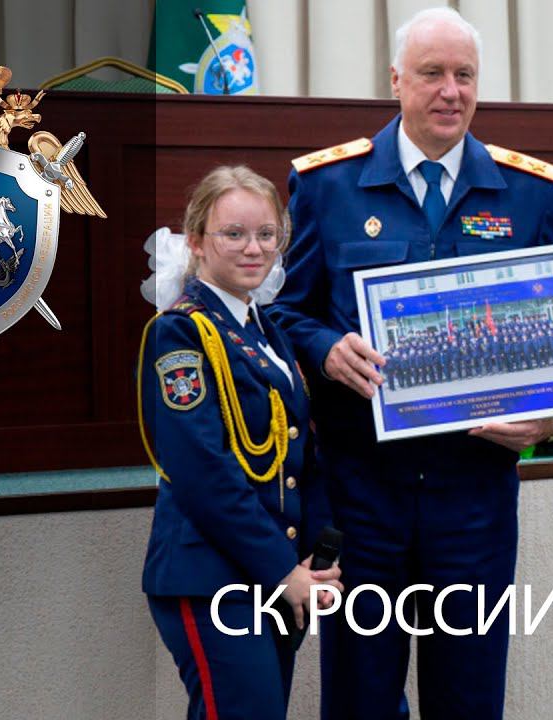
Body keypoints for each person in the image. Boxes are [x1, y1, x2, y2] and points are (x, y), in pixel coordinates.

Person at [266, 8, 553, 719]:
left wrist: (550, 421)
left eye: (465, 75)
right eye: (432, 73)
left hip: (475, 497)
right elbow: (281, 313)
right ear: (396, 80)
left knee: (470, 697)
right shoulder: (328, 184)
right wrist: (324, 349)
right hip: (362, 492)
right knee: (360, 697)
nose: (450, 91)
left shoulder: (529, 192)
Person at [138, 166, 343, 720]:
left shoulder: (268, 330)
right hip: (211, 577)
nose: (254, 249)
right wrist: (283, 569)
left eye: (266, 234)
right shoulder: (180, 332)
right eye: (234, 234)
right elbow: (203, 472)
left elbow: (300, 452)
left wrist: (316, 555)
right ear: (196, 241)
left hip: (272, 577)